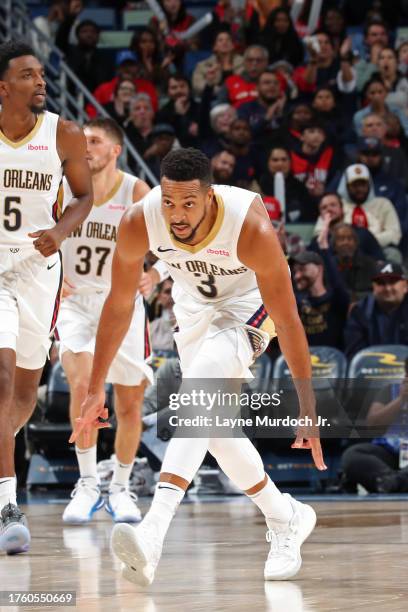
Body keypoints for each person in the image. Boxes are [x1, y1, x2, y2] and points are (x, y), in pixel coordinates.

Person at [70, 148, 325, 586]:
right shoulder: (139, 220)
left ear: (210, 196)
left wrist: (308, 405)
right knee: (214, 431)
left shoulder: (250, 227)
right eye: (169, 202)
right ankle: (286, 517)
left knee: (199, 393)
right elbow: (118, 304)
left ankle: (153, 531)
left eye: (188, 203)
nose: (177, 213)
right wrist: (95, 387)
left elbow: (288, 320)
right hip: (194, 308)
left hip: (249, 305)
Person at [0, 41, 93, 554]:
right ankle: (7, 504)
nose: (40, 82)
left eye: (41, 74)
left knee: (23, 395)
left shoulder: (64, 132)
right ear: (3, 87)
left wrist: (60, 231)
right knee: (2, 374)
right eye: (27, 75)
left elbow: (84, 196)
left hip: (40, 268)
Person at [57, 118, 153, 524]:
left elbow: (172, 240)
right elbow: (34, 231)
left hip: (122, 305)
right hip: (76, 302)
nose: (86, 148)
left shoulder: (136, 191)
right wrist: (49, 269)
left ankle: (121, 487)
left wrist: (157, 274)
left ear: (115, 150)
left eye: (94, 141)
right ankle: (88, 483)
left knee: (128, 402)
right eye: (82, 142)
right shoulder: (62, 187)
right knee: (81, 385)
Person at [341, 367, 408, 493]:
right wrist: (400, 399)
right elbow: (372, 424)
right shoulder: (390, 390)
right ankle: (393, 481)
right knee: (353, 454)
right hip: (389, 453)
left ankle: (391, 483)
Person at [336, 164, 402, 259]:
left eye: (363, 184)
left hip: (379, 250)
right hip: (342, 252)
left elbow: (394, 234)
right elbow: (319, 231)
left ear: (369, 184)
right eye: (355, 185)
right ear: (346, 186)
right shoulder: (336, 204)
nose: (360, 189)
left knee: (393, 253)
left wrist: (368, 241)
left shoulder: (383, 204)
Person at [344, 262, 408, 358]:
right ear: (373, 287)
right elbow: (355, 355)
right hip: (371, 370)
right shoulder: (360, 312)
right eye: (381, 283)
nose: (387, 288)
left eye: (392, 282)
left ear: (405, 286)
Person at [292, 250, 350, 350]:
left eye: (302, 269)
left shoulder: (336, 299)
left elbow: (338, 285)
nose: (297, 276)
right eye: (295, 271)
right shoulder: (297, 302)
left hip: (334, 362)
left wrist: (325, 249)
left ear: (319, 269)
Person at [311, 192, 384, 261]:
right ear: (320, 215)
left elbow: (379, 261)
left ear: (342, 209)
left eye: (333, 205)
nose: (329, 209)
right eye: (324, 208)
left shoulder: (362, 233)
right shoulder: (317, 241)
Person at [330, 223, 378, 302]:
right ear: (334, 245)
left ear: (356, 244)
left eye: (350, 239)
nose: (346, 242)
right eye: (341, 239)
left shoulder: (370, 264)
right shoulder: (328, 265)